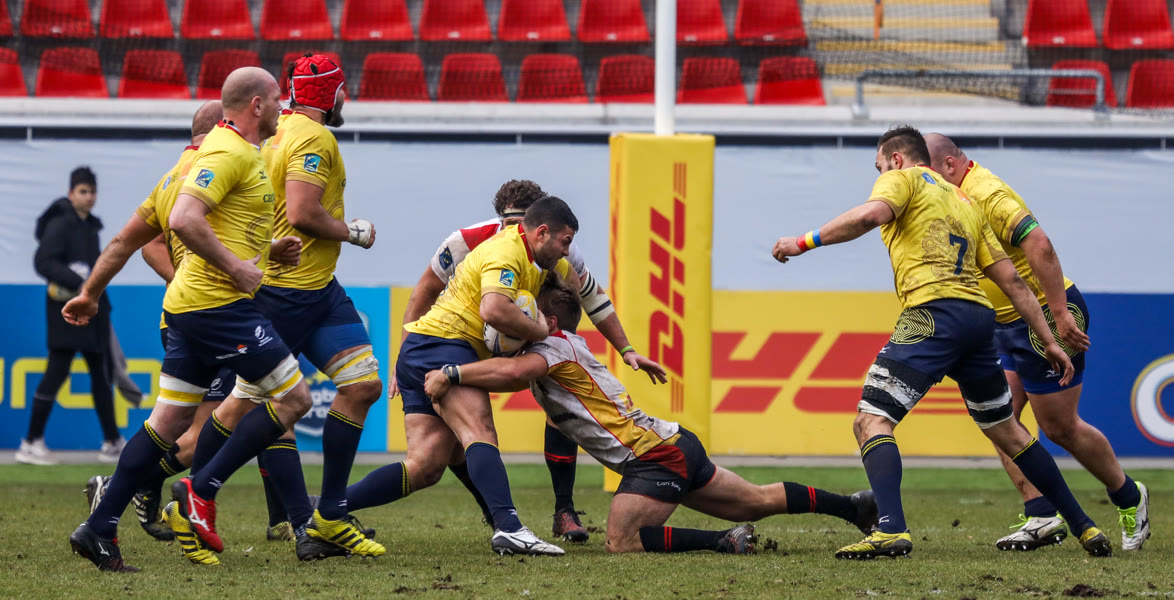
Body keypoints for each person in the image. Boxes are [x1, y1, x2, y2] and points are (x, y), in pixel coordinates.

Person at [771, 125, 1112, 559]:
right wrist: (1049, 341)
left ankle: (891, 529)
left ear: (897, 158)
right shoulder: (964, 200)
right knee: (1007, 429)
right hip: (978, 322)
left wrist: (802, 242)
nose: (880, 174)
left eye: (879, 166)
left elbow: (869, 216)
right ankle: (1084, 525)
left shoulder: (904, 178)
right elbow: (1013, 282)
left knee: (871, 420)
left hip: (933, 314)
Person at [422, 274, 880, 554]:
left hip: (654, 457)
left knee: (621, 540)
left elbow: (511, 373)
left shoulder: (552, 349)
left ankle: (723, 541)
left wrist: (452, 372)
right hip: (672, 444)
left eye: (525, 312)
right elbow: (537, 399)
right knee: (756, 501)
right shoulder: (560, 346)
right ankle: (855, 507)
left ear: (551, 322)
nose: (512, 317)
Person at [64, 67, 306, 572]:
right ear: (256, 105)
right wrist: (238, 268)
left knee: (169, 422)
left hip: (186, 307)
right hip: (219, 307)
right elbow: (183, 221)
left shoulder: (186, 169)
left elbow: (125, 241)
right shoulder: (229, 152)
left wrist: (90, 293)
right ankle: (201, 490)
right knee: (294, 399)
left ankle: (99, 527)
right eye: (277, 100)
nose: (283, 109)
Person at [371, 179, 662, 543]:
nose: (516, 230)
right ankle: (502, 520)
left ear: (540, 224)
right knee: (446, 449)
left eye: (522, 223)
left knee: (550, 404)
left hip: (524, 334)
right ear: (502, 220)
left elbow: (592, 298)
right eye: (510, 223)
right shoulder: (468, 241)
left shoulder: (561, 250)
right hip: (465, 338)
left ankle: (562, 509)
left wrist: (625, 348)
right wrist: (403, 355)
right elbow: (425, 290)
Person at [187, 53, 384, 560]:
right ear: (329, 95)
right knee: (249, 404)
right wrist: (353, 232)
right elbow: (301, 213)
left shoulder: (278, 131)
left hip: (318, 289)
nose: (346, 98)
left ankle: (328, 515)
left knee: (362, 385)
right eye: (342, 90)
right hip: (286, 292)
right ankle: (190, 491)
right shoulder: (314, 137)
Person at [925, 133, 1150, 552]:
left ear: (950, 166)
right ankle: (1041, 513)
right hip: (1003, 323)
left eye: (928, 172)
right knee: (999, 419)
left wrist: (1060, 314)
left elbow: (1040, 243)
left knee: (1059, 427)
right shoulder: (950, 195)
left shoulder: (986, 192)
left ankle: (1128, 496)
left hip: (1044, 316)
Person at [350, 196, 578, 557]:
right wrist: (538, 331)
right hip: (444, 346)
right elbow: (493, 309)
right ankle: (509, 528)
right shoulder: (507, 251)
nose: (567, 250)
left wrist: (624, 347)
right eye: (565, 241)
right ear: (542, 232)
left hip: (423, 347)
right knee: (479, 431)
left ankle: (326, 511)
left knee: (426, 465)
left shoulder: (535, 261)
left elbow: (586, 293)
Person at [18, 166, 125, 465]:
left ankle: (112, 442)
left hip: (92, 310)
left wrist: (94, 294)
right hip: (65, 312)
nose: (89, 197)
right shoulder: (60, 223)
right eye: (83, 191)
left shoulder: (90, 225)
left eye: (92, 191)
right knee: (57, 371)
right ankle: (31, 443)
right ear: (71, 193)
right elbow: (42, 262)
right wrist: (76, 281)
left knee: (101, 374)